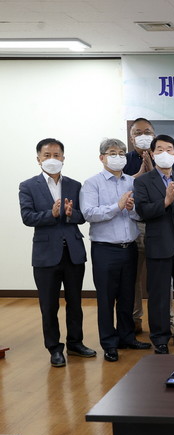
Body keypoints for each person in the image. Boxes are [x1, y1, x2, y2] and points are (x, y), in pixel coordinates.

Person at [19, 138, 96, 367]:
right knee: (49, 305)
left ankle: (75, 343)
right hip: (45, 255)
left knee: (75, 302)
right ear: (38, 159)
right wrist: (51, 214)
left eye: (56, 155)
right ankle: (54, 348)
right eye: (47, 155)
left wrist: (71, 214)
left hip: (73, 252)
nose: (52, 159)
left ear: (63, 158)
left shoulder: (75, 185)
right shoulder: (28, 186)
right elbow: (27, 217)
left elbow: (83, 216)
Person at [80, 138, 151, 362]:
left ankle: (127, 337)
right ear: (102, 157)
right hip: (105, 249)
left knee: (127, 296)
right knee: (106, 298)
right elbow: (89, 213)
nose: (118, 157)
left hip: (129, 247)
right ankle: (109, 343)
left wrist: (131, 208)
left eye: (121, 153)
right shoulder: (92, 183)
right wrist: (117, 206)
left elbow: (139, 214)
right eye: (112, 153)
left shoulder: (132, 182)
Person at [133, 134, 174, 354]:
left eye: (169, 149)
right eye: (160, 150)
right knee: (159, 294)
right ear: (152, 154)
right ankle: (160, 337)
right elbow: (142, 211)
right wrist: (165, 202)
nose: (165, 153)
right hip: (158, 245)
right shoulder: (142, 181)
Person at [123, 118, 174, 335]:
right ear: (131, 138)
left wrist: (155, 171)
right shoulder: (124, 160)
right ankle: (135, 318)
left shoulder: (166, 158)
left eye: (147, 132)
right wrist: (141, 175)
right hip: (135, 225)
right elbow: (119, 189)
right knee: (134, 276)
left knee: (164, 277)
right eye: (138, 133)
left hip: (161, 225)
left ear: (154, 134)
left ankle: (169, 319)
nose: (143, 136)